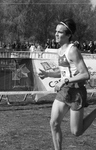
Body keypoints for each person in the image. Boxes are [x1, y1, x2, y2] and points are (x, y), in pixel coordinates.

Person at [39, 18, 96, 150]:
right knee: (53, 123)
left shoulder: (72, 50)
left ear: (69, 35)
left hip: (76, 92)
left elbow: (85, 74)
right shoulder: (60, 51)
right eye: (55, 31)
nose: (56, 34)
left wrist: (64, 81)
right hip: (64, 92)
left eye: (60, 32)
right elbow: (64, 74)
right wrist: (48, 74)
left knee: (76, 132)